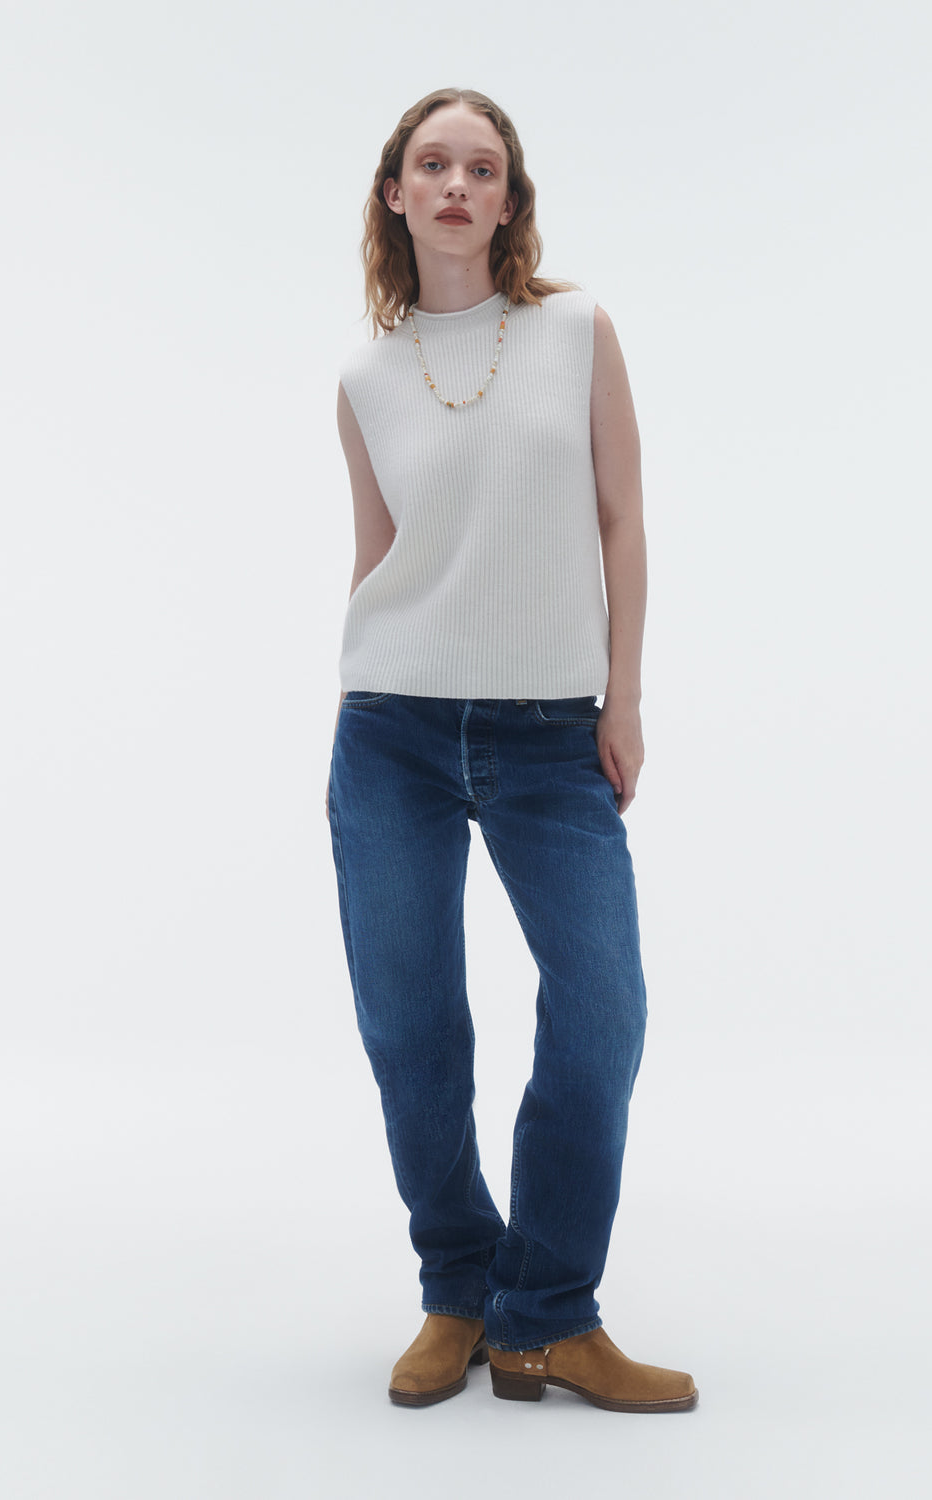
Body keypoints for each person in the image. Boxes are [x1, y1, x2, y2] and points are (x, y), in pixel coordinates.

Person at [325, 87, 696, 1415]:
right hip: (393, 728)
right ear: (396, 192)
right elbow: (379, 559)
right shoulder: (366, 380)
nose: (456, 186)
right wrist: (357, 695)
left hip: (551, 732)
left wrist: (622, 699)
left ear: (508, 196)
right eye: (433, 164)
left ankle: (547, 1311)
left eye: (481, 167)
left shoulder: (576, 330)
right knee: (411, 1027)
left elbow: (622, 517)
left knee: (602, 1012)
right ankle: (460, 1290)